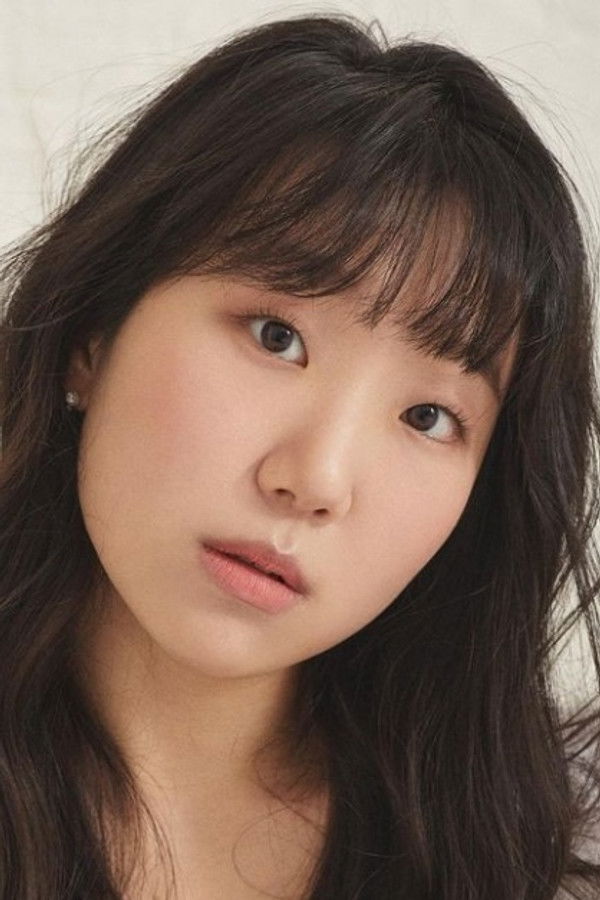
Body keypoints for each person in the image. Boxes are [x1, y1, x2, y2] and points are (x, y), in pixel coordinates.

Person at [0, 11, 599, 899]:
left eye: (429, 416)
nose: (315, 480)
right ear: (93, 334)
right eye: (276, 337)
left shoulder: (538, 853)